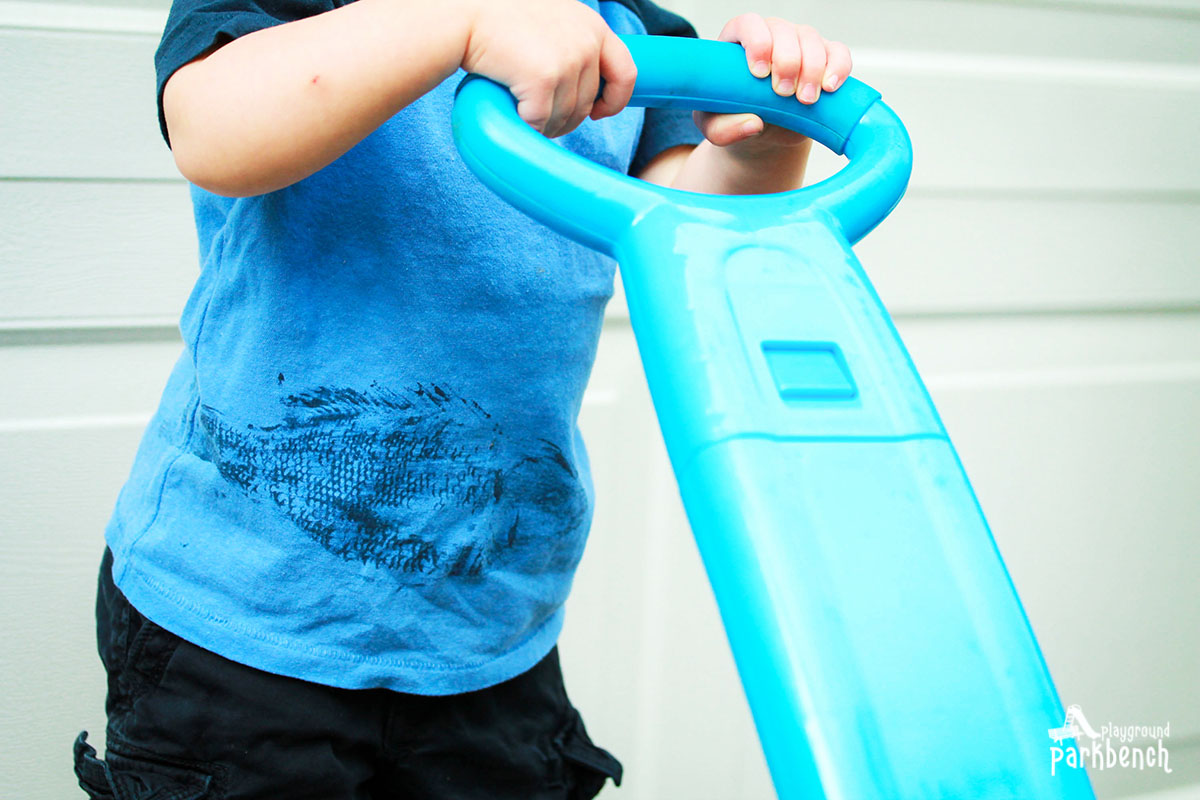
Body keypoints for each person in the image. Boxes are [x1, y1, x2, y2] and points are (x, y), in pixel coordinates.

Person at [72, 1, 852, 797]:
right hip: (242, 634)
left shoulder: (634, 33)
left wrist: (766, 135)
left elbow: (687, 242)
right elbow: (213, 129)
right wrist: (463, 22)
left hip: (490, 636)